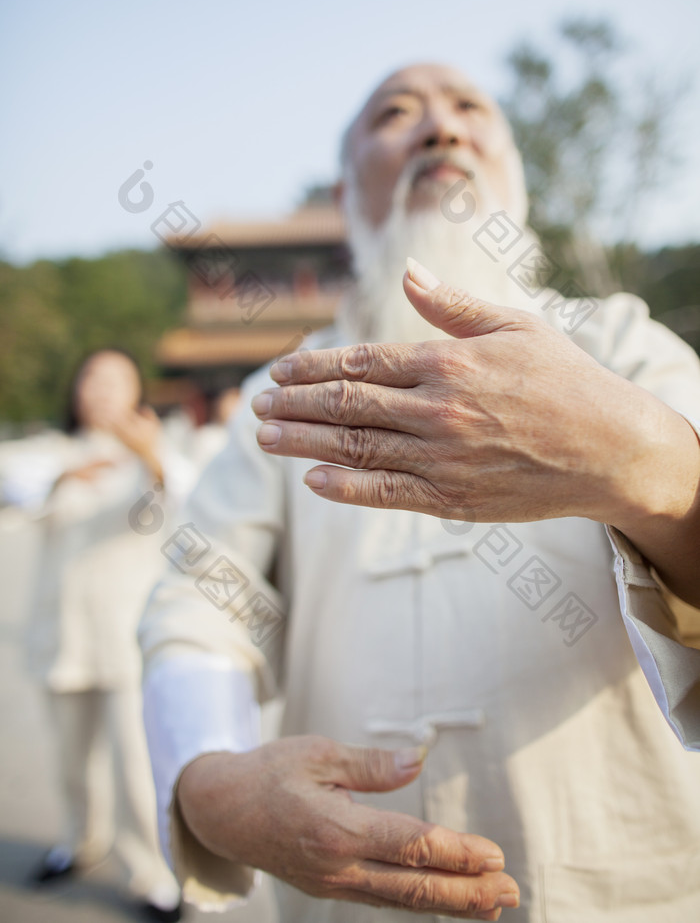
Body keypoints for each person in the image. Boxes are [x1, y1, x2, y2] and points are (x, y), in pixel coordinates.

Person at [138, 64, 700, 922]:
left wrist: (642, 457)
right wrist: (207, 774)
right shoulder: (287, 390)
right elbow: (200, 600)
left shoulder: (621, 342)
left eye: (470, 109)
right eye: (395, 115)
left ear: (513, 175)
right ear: (342, 188)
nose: (439, 130)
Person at [17, 348, 186, 922]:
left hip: (123, 637)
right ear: (76, 389)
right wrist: (63, 475)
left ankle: (152, 872)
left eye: (117, 379)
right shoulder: (51, 454)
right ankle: (79, 840)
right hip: (61, 634)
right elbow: (18, 495)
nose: (103, 388)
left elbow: (175, 504)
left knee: (136, 764)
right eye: (92, 376)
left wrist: (150, 459)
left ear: (137, 392)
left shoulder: (153, 456)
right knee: (70, 757)